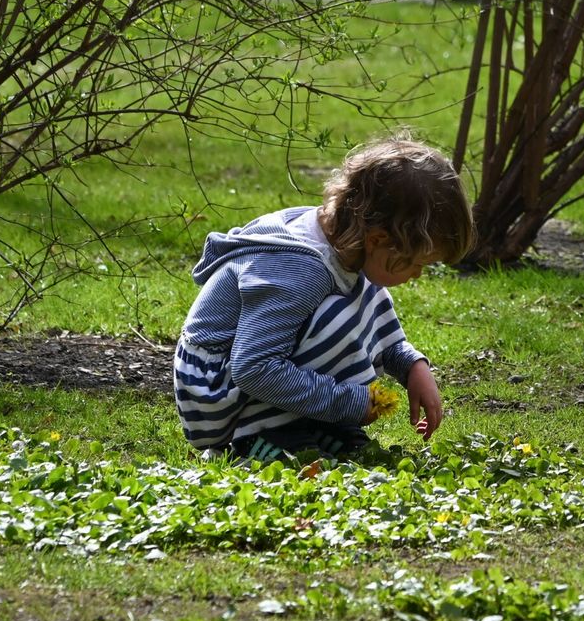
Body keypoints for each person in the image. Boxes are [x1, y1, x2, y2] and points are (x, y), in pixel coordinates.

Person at [173, 136, 475, 461]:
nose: (417, 275)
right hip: (213, 393)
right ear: (377, 239)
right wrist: (350, 403)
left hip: (239, 376)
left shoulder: (344, 241)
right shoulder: (302, 269)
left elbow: (366, 314)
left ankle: (316, 426)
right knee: (336, 314)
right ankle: (260, 437)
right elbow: (254, 367)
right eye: (417, 264)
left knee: (360, 292)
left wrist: (412, 366)